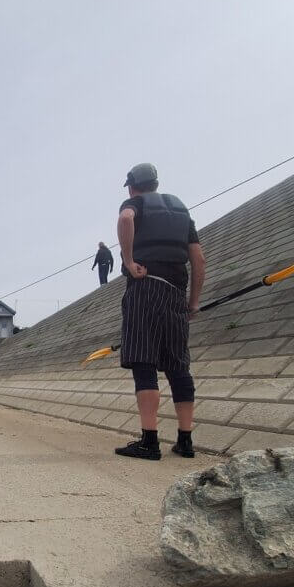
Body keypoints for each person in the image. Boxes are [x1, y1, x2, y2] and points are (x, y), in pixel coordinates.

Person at [114, 163, 205, 460]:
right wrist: (193, 301)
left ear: (132, 186)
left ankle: (149, 441)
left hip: (146, 288)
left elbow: (126, 218)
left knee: (144, 363)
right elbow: (198, 259)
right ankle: (185, 440)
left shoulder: (134, 203)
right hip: (177, 293)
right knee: (178, 367)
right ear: (155, 183)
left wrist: (128, 261)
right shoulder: (181, 211)